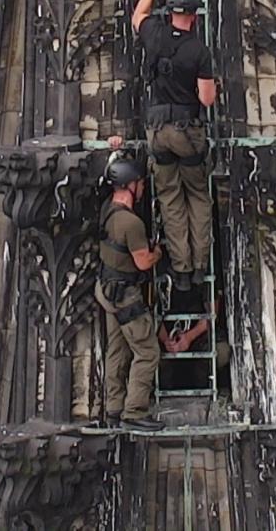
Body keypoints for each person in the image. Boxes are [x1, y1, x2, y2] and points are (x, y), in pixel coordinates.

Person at [132, 0, 217, 292]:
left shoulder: (154, 33)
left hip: (158, 131)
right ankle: (198, 267)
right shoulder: (199, 50)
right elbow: (207, 99)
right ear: (194, 15)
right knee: (196, 195)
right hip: (187, 132)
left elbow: (138, 13)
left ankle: (180, 270)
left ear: (169, 11)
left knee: (169, 197)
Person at [97, 158, 163, 431]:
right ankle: (134, 411)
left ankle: (113, 408)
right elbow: (143, 262)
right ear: (131, 185)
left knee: (118, 351)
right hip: (126, 295)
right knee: (147, 352)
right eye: (141, 183)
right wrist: (158, 251)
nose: (144, 187)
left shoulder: (107, 211)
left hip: (107, 291)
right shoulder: (131, 222)